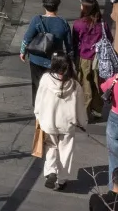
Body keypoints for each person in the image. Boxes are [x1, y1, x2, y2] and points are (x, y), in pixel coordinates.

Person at [33, 52, 83, 190]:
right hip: (68, 124)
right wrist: (82, 122)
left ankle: (51, 172)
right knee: (66, 150)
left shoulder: (45, 79)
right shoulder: (74, 85)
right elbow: (80, 108)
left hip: (48, 122)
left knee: (51, 147)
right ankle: (62, 180)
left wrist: (38, 115)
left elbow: (39, 101)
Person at [19, 0, 73, 96]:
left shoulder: (37, 20)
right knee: (53, 86)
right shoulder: (63, 23)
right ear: (57, 6)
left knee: (37, 85)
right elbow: (69, 45)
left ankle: (37, 107)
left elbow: (27, 38)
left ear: (44, 6)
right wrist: (71, 61)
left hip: (36, 59)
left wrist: (22, 52)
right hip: (55, 61)